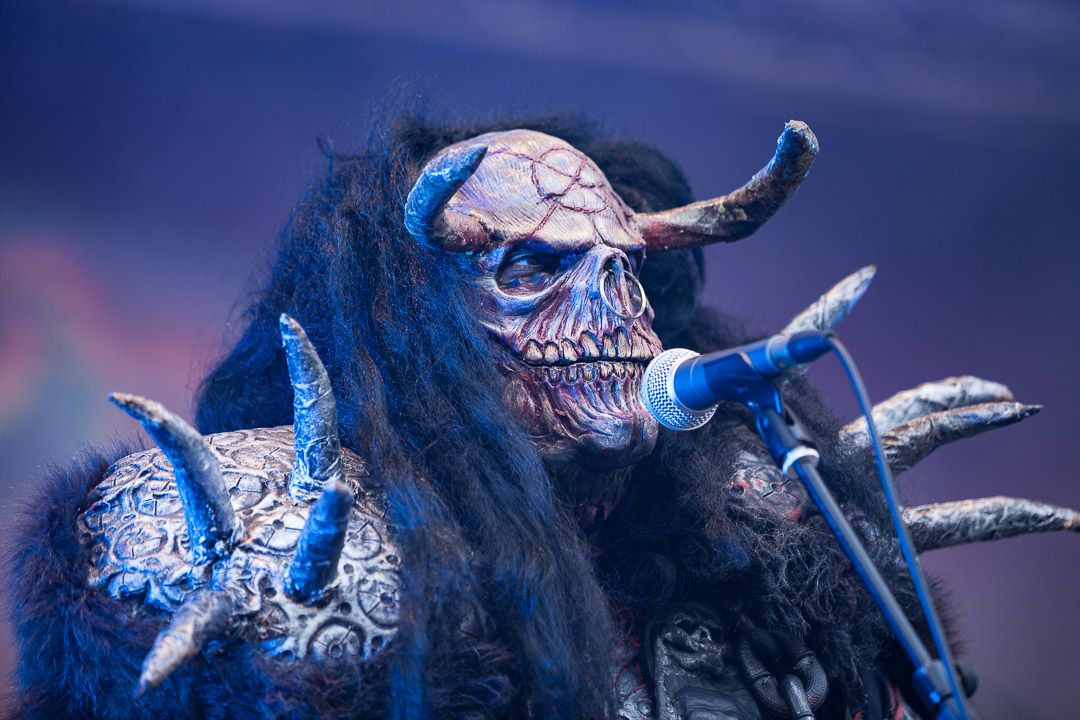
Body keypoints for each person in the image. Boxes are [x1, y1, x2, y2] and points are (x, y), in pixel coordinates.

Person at [8, 114, 1073, 720]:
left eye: (627, 272)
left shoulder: (742, 536)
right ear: (416, 325)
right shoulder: (287, 522)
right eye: (531, 273)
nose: (615, 315)